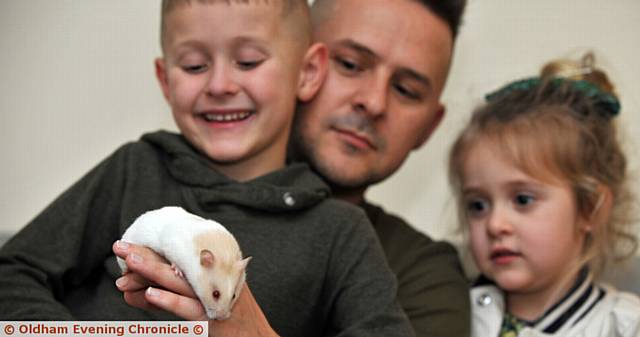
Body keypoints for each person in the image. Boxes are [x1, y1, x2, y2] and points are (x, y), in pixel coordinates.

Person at [0, 1, 415, 336]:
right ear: (164, 79)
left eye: (248, 61)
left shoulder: (340, 232)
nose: (219, 86)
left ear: (307, 73)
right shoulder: (134, 170)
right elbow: (13, 273)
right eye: (195, 66)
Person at [116, 1, 471, 336]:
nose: (373, 102)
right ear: (304, 67)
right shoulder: (139, 174)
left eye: (406, 90)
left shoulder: (424, 274)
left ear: (429, 126)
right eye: (349, 64)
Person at [448, 53, 640, 336]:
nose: (494, 224)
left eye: (522, 200)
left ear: (591, 209)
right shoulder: (452, 309)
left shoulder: (622, 327)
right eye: (478, 205)